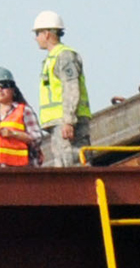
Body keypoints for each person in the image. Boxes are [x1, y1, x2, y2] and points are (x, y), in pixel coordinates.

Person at [30, 13, 90, 166]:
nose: (36, 38)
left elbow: (71, 87)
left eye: (37, 33)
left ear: (47, 33)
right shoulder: (52, 58)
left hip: (68, 123)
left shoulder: (64, 56)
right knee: (62, 165)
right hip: (59, 124)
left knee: (73, 163)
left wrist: (69, 121)